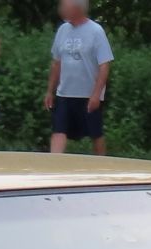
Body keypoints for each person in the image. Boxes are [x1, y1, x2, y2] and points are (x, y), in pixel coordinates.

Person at [45, 0, 112, 155]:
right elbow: (56, 63)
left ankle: (101, 165)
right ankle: (54, 166)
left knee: (95, 133)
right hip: (65, 93)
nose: (61, 10)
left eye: (65, 6)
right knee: (59, 130)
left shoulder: (96, 31)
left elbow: (104, 65)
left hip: (88, 94)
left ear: (77, 8)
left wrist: (96, 94)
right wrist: (50, 91)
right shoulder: (62, 30)